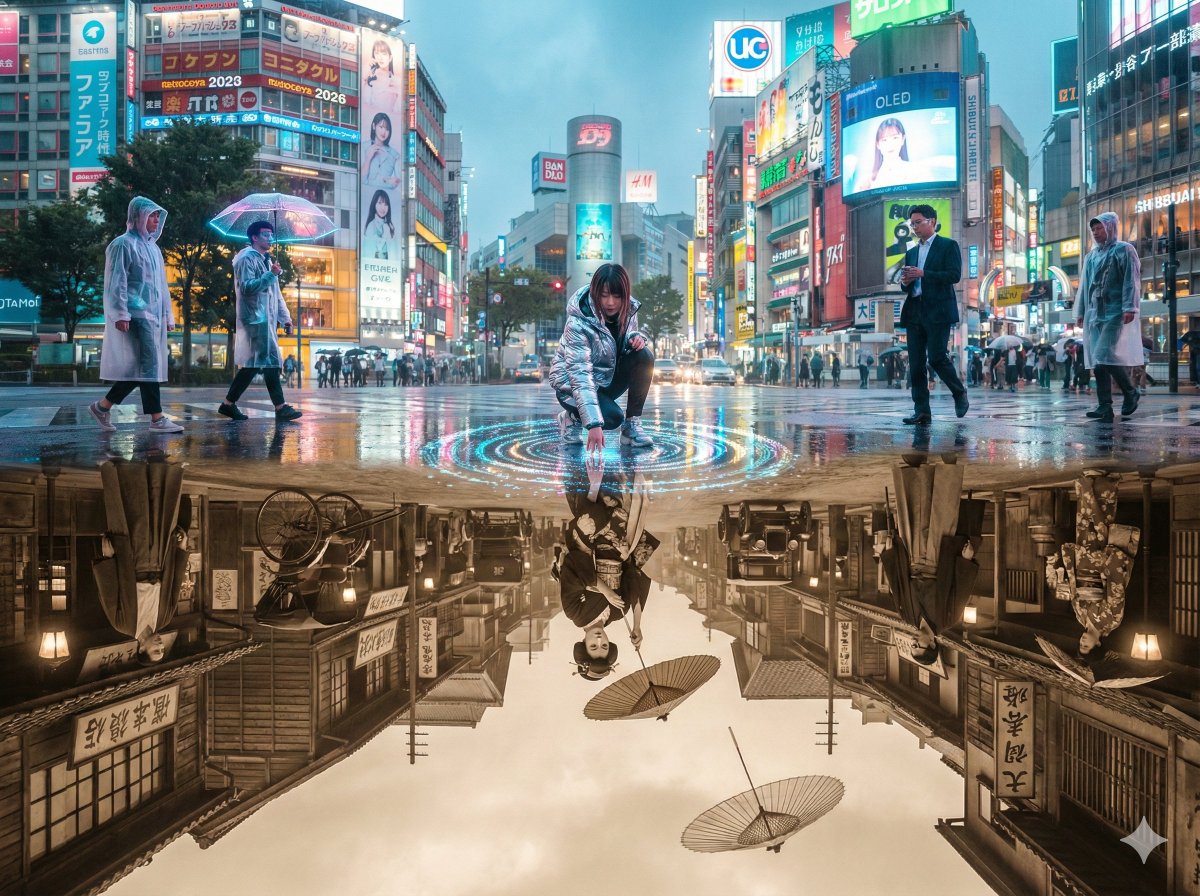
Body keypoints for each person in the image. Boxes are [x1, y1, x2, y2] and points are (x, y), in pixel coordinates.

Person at [88, 196, 184, 434]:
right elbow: (116, 281)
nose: (156, 219)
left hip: (152, 316)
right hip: (135, 314)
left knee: (140, 366)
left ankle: (103, 407)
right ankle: (156, 418)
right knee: (148, 363)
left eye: (158, 216)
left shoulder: (153, 248)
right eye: (152, 215)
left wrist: (167, 315)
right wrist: (120, 313)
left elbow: (162, 286)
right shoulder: (122, 244)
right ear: (138, 216)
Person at [549, 263, 654, 450]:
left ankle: (631, 427)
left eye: (617, 296)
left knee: (644, 356)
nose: (611, 302)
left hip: (604, 380)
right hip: (571, 386)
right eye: (604, 296)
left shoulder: (629, 311)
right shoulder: (577, 323)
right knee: (612, 418)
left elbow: (623, 340)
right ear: (595, 292)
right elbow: (580, 375)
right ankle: (571, 418)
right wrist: (594, 424)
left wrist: (635, 339)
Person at [217, 221, 303, 422]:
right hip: (254, 319)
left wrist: (286, 318)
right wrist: (270, 275)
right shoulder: (246, 259)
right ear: (254, 237)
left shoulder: (267, 261)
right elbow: (247, 287)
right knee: (266, 362)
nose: (270, 238)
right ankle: (279, 407)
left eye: (271, 235)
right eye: (265, 234)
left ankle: (228, 404)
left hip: (267, 321)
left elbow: (276, 294)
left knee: (258, 364)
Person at [898, 204, 969, 423]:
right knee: (916, 363)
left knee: (937, 357)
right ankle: (922, 411)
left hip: (938, 310)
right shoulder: (911, 252)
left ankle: (959, 392)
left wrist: (923, 273)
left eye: (918, 222)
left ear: (933, 221)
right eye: (912, 224)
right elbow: (907, 286)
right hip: (915, 310)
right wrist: (906, 281)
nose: (915, 227)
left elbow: (954, 275)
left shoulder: (948, 245)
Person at [1077, 212, 1143, 422]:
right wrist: (1080, 311)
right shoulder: (1091, 256)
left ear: (1111, 227)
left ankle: (1130, 391)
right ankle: (1105, 405)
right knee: (1098, 360)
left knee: (1103, 354)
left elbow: (1131, 279)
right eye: (1093, 229)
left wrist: (1130, 306)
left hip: (1115, 311)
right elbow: (1085, 286)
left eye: (1100, 228)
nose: (1096, 233)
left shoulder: (1124, 249)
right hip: (1095, 313)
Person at [861, 118, 916, 192]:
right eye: (884, 140)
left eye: (895, 138)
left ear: (903, 139)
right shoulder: (868, 179)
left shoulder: (914, 170)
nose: (890, 144)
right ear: (878, 144)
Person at [362, 113, 401, 192]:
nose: (383, 132)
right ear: (374, 126)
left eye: (387, 129)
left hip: (387, 196)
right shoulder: (363, 147)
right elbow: (362, 179)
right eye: (381, 127)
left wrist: (389, 182)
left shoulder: (394, 155)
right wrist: (368, 158)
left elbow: (397, 182)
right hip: (366, 195)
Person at [363, 189, 395, 259]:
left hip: (388, 266)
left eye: (386, 204)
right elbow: (377, 249)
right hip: (373, 266)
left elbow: (391, 250)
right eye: (380, 203)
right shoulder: (371, 225)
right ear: (374, 204)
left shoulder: (389, 226)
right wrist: (385, 233)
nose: (383, 208)